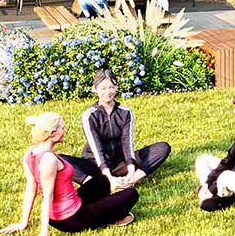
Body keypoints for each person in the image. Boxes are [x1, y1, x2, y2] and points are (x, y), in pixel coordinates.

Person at [0, 111, 138, 236]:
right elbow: (48, 197)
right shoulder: (49, 160)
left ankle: (104, 210)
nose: (65, 130)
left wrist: (24, 222)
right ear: (52, 134)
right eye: (62, 128)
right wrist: (43, 233)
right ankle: (110, 217)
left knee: (103, 181)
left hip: (73, 203)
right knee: (131, 194)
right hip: (71, 219)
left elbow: (30, 189)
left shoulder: (30, 153)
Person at [61, 70, 171, 199]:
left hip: (120, 162)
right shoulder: (89, 115)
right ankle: (97, 185)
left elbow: (127, 142)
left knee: (163, 147)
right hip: (94, 163)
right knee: (59, 160)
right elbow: (96, 148)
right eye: (103, 88)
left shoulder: (126, 112)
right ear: (95, 89)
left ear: (116, 87)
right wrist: (108, 177)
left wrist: (131, 172)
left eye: (111, 87)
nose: (108, 92)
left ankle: (131, 180)